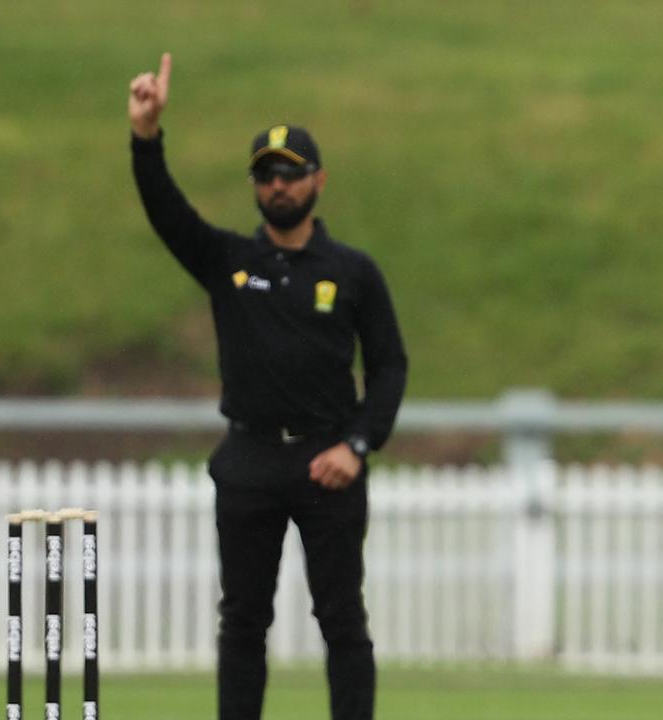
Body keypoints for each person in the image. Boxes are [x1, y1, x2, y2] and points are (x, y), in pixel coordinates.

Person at [127, 53, 408, 720]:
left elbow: (390, 365)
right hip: (249, 457)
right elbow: (167, 214)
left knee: (341, 618)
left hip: (327, 462)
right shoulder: (230, 261)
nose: (278, 185)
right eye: (265, 175)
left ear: (318, 181)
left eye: (290, 173)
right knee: (243, 620)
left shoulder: (353, 272)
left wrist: (358, 445)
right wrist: (146, 135)